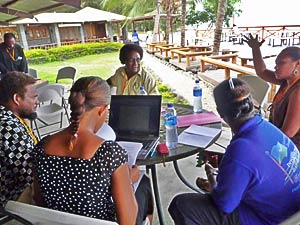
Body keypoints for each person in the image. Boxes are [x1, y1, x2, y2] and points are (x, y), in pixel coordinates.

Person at [168, 78, 300, 225]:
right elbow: (257, 164)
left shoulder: (241, 150)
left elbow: (225, 205)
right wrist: (226, 161)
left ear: (220, 112)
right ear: (252, 103)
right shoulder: (269, 129)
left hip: (267, 219)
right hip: (291, 212)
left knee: (181, 204)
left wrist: (211, 176)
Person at [32, 77, 139, 225]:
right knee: (144, 190)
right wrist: (128, 180)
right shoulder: (109, 154)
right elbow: (128, 221)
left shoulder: (42, 147)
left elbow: (39, 200)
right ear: (102, 109)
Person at [244, 34, 300, 149]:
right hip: (280, 141)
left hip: (289, 151)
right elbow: (262, 71)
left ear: (297, 64)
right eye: (276, 63)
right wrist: (255, 48)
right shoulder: (287, 82)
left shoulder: (298, 91)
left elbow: (287, 133)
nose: (276, 67)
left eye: (281, 63)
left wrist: (259, 138)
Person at [0, 71, 38, 207]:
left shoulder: (10, 118)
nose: (36, 102)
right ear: (17, 99)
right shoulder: (8, 127)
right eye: (33, 97)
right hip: (10, 202)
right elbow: (32, 174)